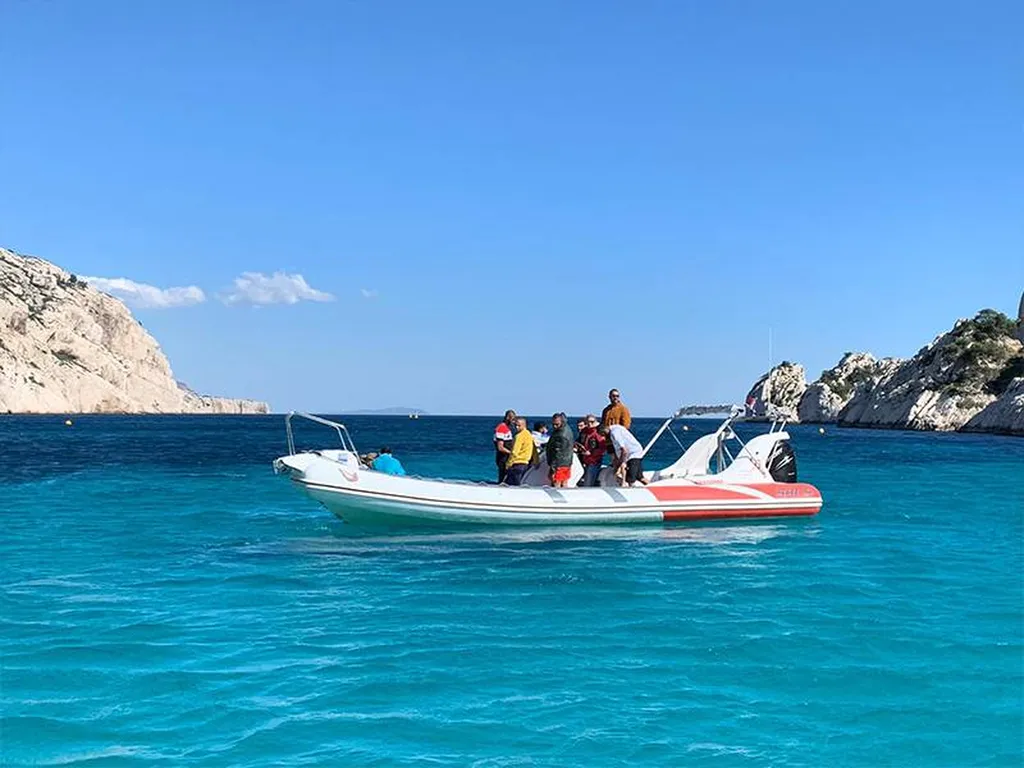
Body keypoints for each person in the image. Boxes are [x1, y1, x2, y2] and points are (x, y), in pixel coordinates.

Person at [576, 414, 607, 487]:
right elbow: (579, 441)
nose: (590, 424)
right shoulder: (584, 431)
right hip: (584, 460)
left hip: (594, 461)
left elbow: (603, 448)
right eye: (587, 422)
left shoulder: (598, 432)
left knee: (588, 483)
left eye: (592, 422)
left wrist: (591, 453)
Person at [505, 417, 538, 486]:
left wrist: (508, 463)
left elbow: (514, 452)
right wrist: (536, 461)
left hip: (517, 463)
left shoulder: (519, 436)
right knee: (520, 484)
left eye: (519, 425)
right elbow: (534, 449)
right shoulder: (529, 434)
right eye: (515, 425)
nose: (517, 427)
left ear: (524, 425)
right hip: (525, 464)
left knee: (510, 485)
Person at [545, 412, 575, 488]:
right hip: (567, 461)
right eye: (553, 424)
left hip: (559, 463)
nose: (555, 426)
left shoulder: (561, 435)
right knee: (564, 481)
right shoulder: (566, 429)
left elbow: (558, 452)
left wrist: (553, 465)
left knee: (556, 481)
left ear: (562, 422)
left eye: (557, 424)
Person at [493, 409, 517, 483]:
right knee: (503, 477)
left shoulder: (508, 428)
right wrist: (512, 453)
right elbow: (500, 447)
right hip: (503, 458)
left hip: (507, 457)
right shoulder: (501, 428)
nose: (514, 422)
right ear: (508, 418)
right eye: (513, 420)